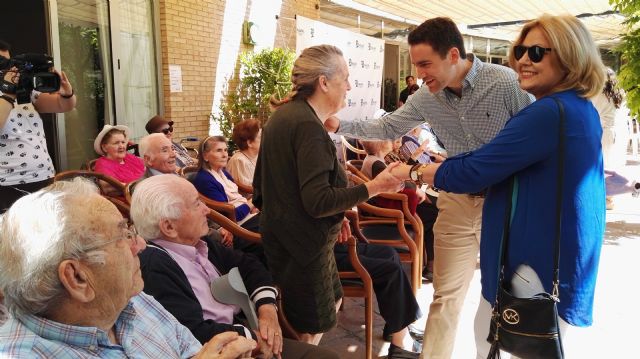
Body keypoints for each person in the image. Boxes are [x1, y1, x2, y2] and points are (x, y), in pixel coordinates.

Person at [394, 14, 605, 358]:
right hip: (545, 258)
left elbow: (477, 169)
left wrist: (416, 172)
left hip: (535, 263)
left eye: (537, 52)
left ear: (570, 55)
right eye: (520, 50)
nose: (523, 60)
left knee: (499, 342)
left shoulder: (549, 113)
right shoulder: (575, 108)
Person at [325, 17, 533, 358]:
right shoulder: (426, 98)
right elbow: (388, 124)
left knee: (508, 295)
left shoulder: (504, 83)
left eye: (425, 64)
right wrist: (337, 124)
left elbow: (532, 137)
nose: (420, 74)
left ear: (453, 54)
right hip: (456, 203)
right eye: (416, 65)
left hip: (505, 203)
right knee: (445, 296)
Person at [0, 177, 258, 358]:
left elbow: (190, 350)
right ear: (77, 277)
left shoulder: (135, 302)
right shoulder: (22, 353)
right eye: (124, 235)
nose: (141, 244)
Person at [253, 44, 404, 349]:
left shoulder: (284, 117)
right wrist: (378, 185)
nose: (349, 86)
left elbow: (263, 190)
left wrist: (339, 214)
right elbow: (318, 201)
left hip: (289, 241)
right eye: (344, 78)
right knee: (307, 335)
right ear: (323, 82)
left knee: (329, 303)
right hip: (303, 249)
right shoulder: (308, 126)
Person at [131, 174, 339, 359]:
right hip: (227, 348)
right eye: (196, 204)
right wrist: (255, 338)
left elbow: (249, 265)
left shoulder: (201, 243)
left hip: (246, 329)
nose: (207, 209)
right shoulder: (155, 266)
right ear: (169, 226)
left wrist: (267, 309)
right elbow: (192, 332)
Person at [0, 39, 77, 212]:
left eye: (9, 62)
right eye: (2, 63)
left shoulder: (24, 91)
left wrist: (67, 93)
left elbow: (63, 105)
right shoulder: (9, 92)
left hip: (44, 177)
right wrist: (7, 92)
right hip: (8, 184)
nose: (8, 68)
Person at [193, 136, 264, 263]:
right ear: (205, 156)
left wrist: (252, 205)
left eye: (225, 150)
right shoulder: (204, 179)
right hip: (238, 228)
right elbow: (232, 214)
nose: (225, 155)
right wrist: (251, 203)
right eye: (219, 150)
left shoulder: (223, 173)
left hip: (249, 216)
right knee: (278, 230)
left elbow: (238, 199)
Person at [591, 68, 631, 210]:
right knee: (610, 164)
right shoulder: (618, 94)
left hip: (604, 132)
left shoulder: (599, 94)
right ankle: (609, 197)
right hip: (617, 132)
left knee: (603, 165)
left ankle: (607, 198)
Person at [227, 118, 261, 189]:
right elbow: (246, 189)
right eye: (261, 137)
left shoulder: (258, 156)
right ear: (249, 143)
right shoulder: (239, 161)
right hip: (247, 199)